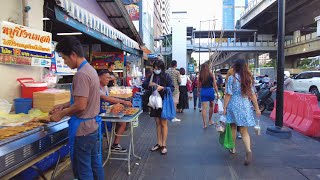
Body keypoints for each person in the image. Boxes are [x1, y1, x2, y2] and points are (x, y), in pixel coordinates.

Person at [50, 36, 104, 179]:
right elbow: (81, 98)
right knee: (95, 164)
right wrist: (63, 106)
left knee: (83, 170)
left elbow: (80, 105)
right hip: (92, 127)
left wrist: (61, 114)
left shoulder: (81, 75)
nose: (65, 62)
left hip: (83, 131)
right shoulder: (90, 70)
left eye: (65, 59)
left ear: (73, 54)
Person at [223, 59, 261, 166]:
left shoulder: (231, 78)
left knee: (233, 127)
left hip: (233, 105)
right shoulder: (248, 78)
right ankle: (248, 151)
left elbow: (228, 94)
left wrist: (224, 108)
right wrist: (257, 109)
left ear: (235, 67)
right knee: (244, 131)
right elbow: (252, 94)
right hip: (245, 105)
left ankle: (233, 147)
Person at [142, 60, 174, 155]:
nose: (156, 70)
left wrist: (163, 88)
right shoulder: (151, 76)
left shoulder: (166, 76)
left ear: (162, 68)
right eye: (155, 68)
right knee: (157, 123)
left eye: (158, 68)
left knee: (163, 123)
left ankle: (164, 145)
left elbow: (172, 88)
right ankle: (159, 143)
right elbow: (144, 85)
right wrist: (149, 84)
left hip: (163, 102)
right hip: (154, 103)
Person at [98, 70, 132, 152]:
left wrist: (119, 104)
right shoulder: (95, 88)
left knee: (123, 123)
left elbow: (110, 99)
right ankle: (98, 149)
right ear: (99, 77)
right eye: (106, 78)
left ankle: (115, 144)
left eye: (109, 78)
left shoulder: (105, 88)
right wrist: (123, 101)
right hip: (98, 114)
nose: (108, 80)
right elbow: (106, 98)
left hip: (107, 113)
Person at [198, 63, 220, 129]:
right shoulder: (211, 74)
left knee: (204, 108)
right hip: (210, 91)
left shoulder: (200, 75)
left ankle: (204, 124)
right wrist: (217, 93)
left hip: (203, 91)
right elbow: (215, 85)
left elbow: (198, 85)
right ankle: (210, 120)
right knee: (211, 106)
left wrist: (198, 91)